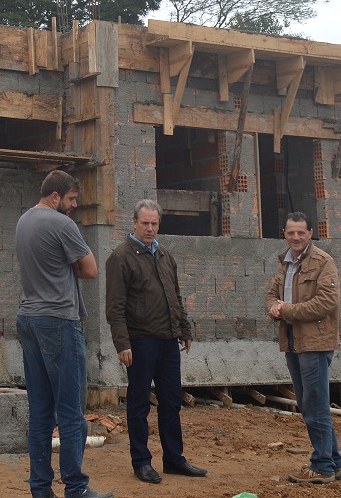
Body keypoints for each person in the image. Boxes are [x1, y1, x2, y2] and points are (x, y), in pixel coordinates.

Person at [15, 170, 110, 498]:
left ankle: (40, 489)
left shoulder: (23, 222)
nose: (73, 206)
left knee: (40, 411)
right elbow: (91, 269)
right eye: (71, 199)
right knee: (71, 414)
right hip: (59, 321)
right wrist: (65, 264)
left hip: (28, 319)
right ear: (55, 196)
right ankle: (76, 489)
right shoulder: (61, 224)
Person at [104, 199, 208, 483]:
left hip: (167, 340)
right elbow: (114, 307)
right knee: (138, 403)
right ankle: (141, 462)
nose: (150, 228)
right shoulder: (120, 257)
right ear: (134, 222)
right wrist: (122, 343)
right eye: (145, 223)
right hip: (140, 342)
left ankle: (174, 459)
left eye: (154, 223)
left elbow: (175, 296)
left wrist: (184, 330)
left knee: (171, 402)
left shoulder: (164, 255)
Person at [266, 212, 341, 485]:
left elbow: (327, 302)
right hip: (292, 341)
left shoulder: (324, 262)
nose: (296, 237)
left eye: (301, 232)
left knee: (315, 405)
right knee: (310, 403)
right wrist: (273, 308)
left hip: (315, 343)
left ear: (311, 233)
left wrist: (287, 309)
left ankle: (322, 466)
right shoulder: (284, 262)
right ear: (284, 234)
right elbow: (271, 294)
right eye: (291, 233)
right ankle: (333, 462)